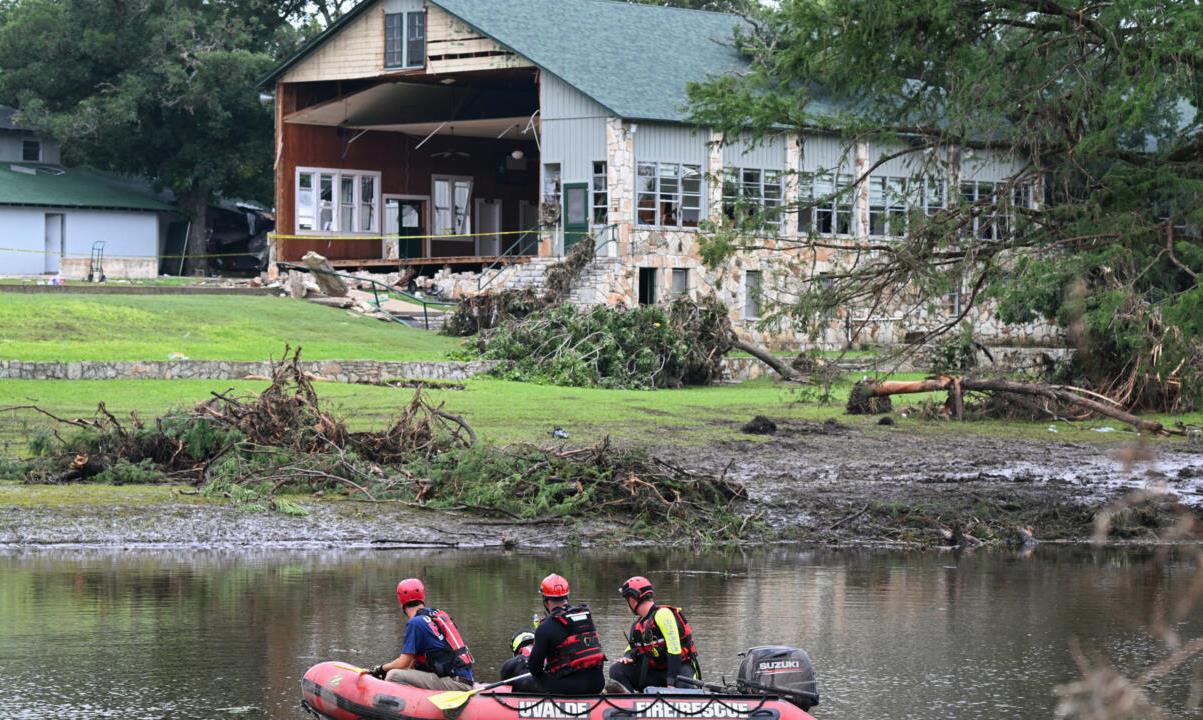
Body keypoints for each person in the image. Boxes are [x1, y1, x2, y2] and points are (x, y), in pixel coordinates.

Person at [368, 578, 475, 691]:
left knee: (393, 675)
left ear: (401, 603)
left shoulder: (415, 623)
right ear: (423, 598)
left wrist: (381, 669)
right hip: (463, 679)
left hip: (455, 683)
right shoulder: (435, 615)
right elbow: (411, 662)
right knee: (404, 671)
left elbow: (403, 663)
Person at [609, 576, 700, 692]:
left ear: (632, 600)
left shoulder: (663, 614)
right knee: (616, 670)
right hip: (655, 673)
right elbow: (631, 648)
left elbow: (675, 649)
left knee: (685, 688)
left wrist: (670, 683)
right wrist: (627, 657)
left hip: (679, 671)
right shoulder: (638, 625)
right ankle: (634, 702)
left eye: (627, 599)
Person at [527, 573, 606, 695]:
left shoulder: (545, 627)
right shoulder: (586, 616)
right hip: (598, 684)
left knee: (531, 681)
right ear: (566, 597)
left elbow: (535, 669)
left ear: (546, 600)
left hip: (569, 688)